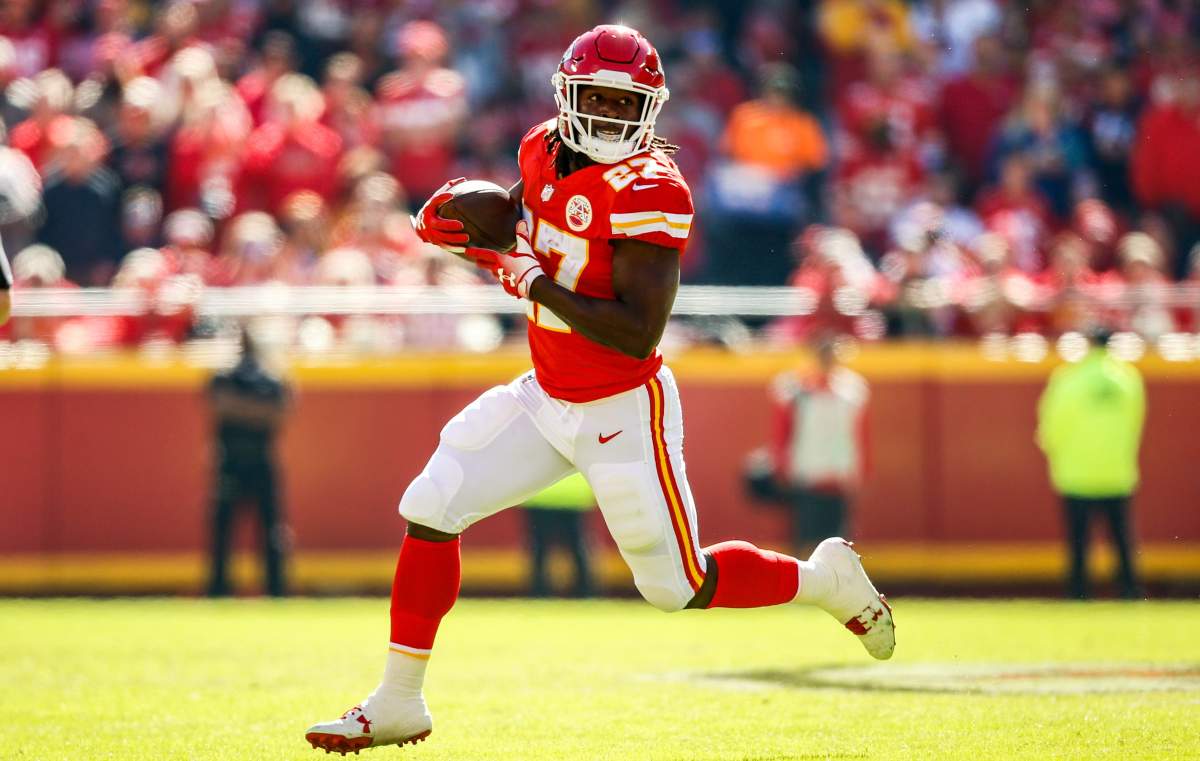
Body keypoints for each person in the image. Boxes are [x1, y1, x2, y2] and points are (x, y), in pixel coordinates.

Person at [306, 25, 895, 755]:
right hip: (546, 393)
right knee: (432, 504)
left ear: (650, 108)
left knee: (676, 585)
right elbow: (518, 222)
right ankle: (399, 699)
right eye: (598, 99)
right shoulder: (541, 147)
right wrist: (468, 227)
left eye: (626, 103)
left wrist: (531, 280)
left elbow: (636, 332)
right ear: (567, 95)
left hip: (621, 402)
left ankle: (825, 581)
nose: (611, 116)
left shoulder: (653, 189)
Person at [1036, 332, 1145, 600]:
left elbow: (1052, 424)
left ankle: (1078, 592)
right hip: (1117, 471)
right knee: (1121, 538)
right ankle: (1129, 591)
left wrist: (1055, 451)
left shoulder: (1069, 378)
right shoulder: (1127, 378)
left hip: (1076, 473)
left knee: (1078, 540)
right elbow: (1136, 421)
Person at [207, 327, 292, 598]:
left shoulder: (268, 379)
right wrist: (256, 411)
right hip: (231, 461)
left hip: (257, 461)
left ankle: (276, 590)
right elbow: (221, 405)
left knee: (271, 531)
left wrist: (239, 409)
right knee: (223, 530)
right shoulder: (226, 376)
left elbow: (279, 411)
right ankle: (219, 589)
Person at [768, 340, 870, 555]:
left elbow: (859, 434)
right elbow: (783, 431)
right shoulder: (796, 390)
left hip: (837, 474)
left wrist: (858, 470)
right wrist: (782, 464)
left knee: (838, 539)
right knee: (803, 536)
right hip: (806, 473)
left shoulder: (851, 391)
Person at [523, 472, 595, 598]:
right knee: (577, 545)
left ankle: (538, 593)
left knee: (539, 547)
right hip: (573, 494)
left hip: (540, 493)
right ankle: (585, 593)